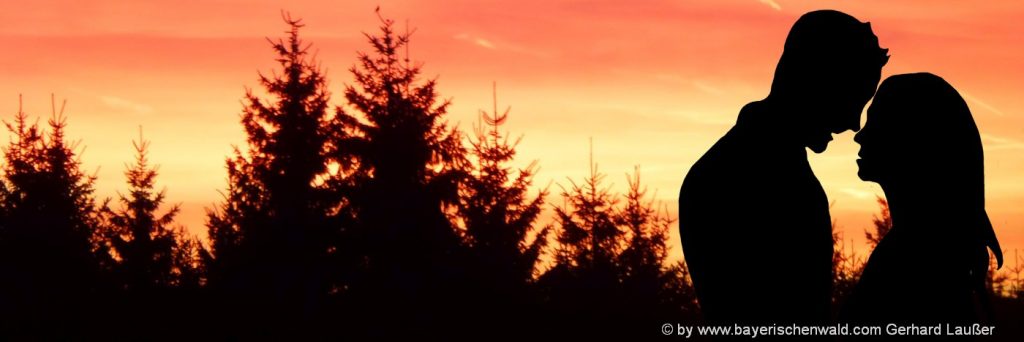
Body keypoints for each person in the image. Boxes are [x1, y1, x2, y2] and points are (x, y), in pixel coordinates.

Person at [678, 10, 888, 324]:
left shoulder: (722, 169)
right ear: (815, 82)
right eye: (851, 99)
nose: (852, 123)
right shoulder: (765, 181)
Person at [842, 73, 1003, 324]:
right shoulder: (935, 253)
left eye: (876, 121)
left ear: (912, 139)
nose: (859, 136)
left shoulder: (912, 261)